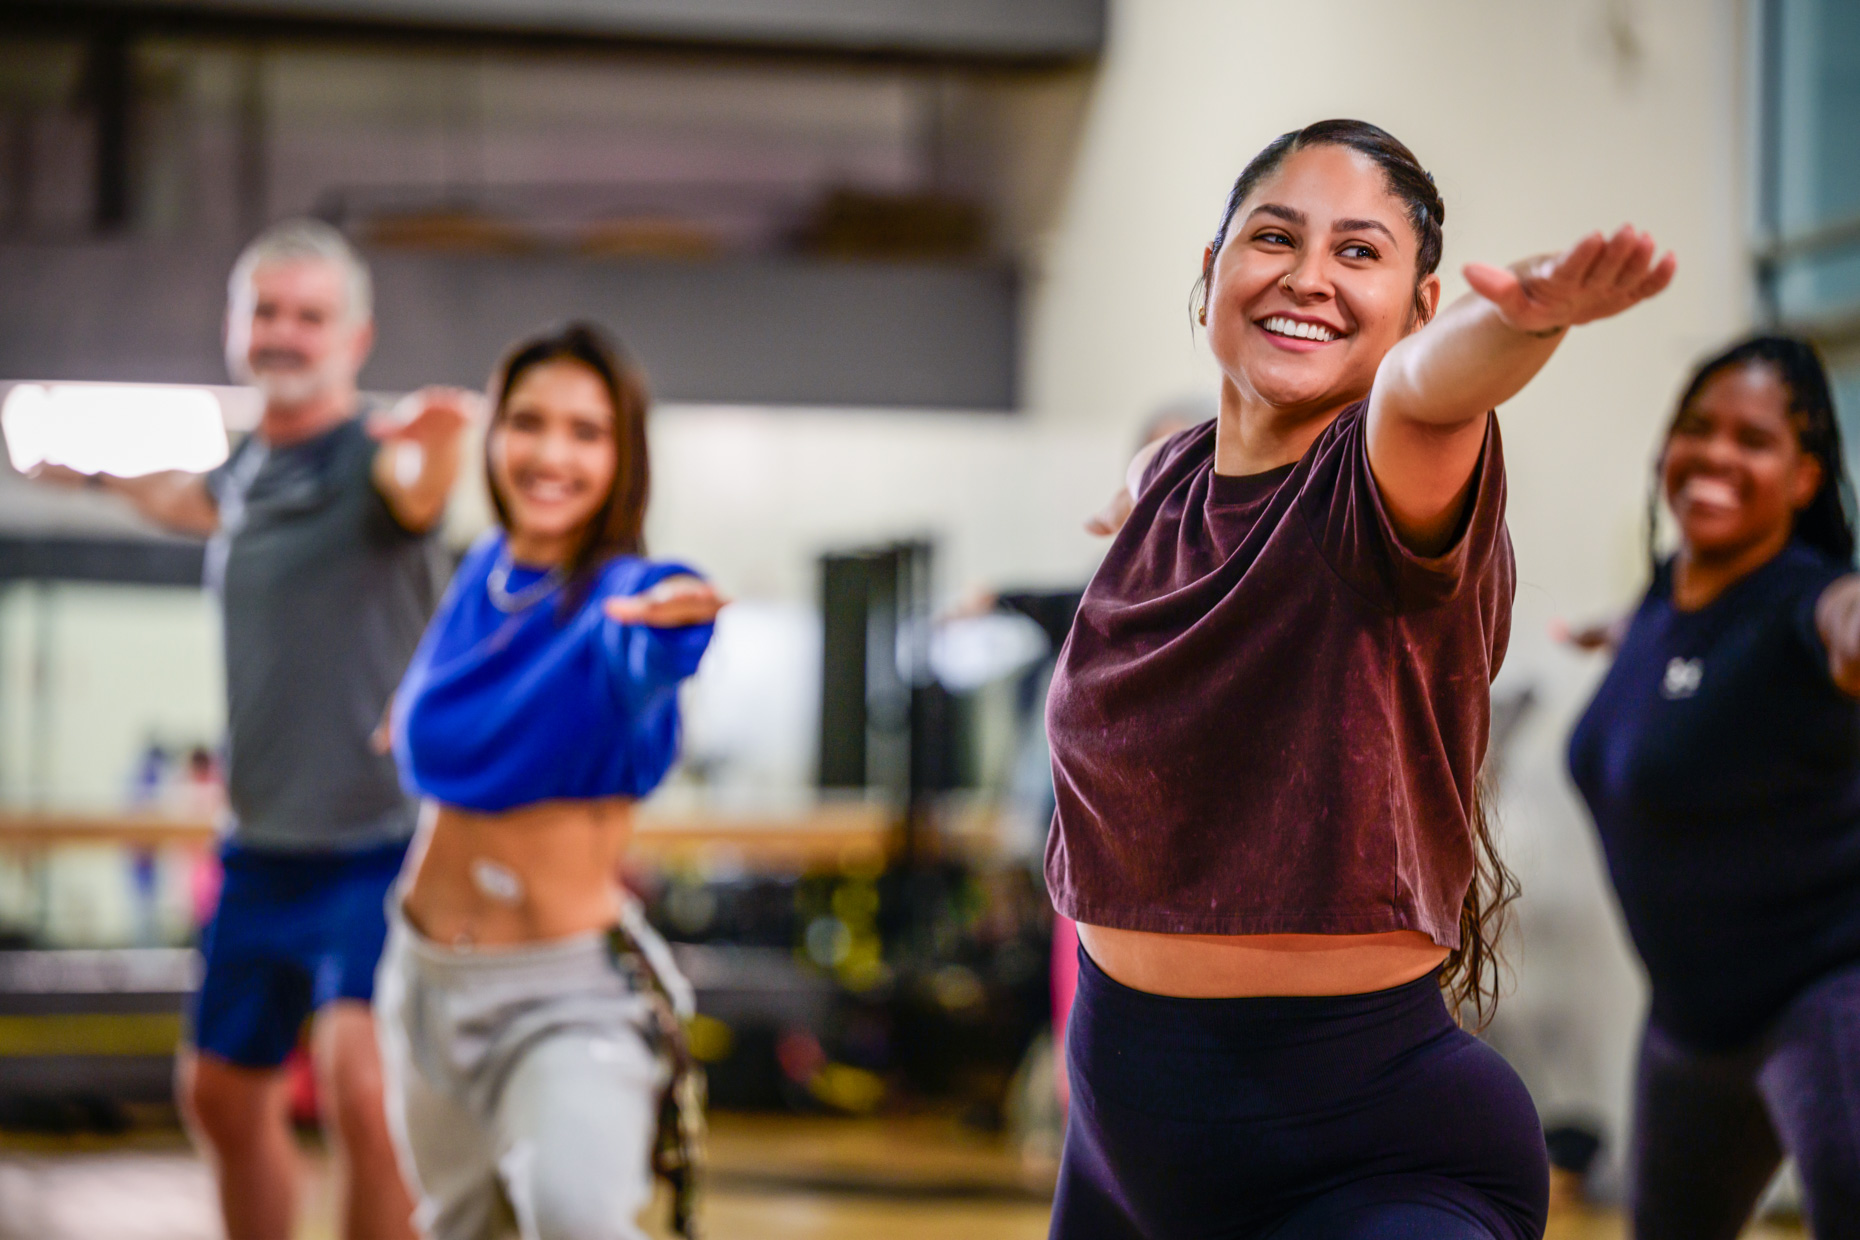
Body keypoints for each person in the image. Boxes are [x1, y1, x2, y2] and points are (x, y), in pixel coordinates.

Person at [1042, 118, 1675, 1239]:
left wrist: (1519, 319)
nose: (1308, 277)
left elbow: (1430, 394)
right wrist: (1128, 489)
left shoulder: (1385, 477)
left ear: (1419, 306)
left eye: (1360, 252)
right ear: (1212, 269)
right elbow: (1163, 467)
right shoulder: (1173, 479)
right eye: (1275, 236)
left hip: (1369, 1160)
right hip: (1120, 1150)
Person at [33, 218, 471, 1240]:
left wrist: (440, 442)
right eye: (266, 312)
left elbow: (419, 490)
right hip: (262, 848)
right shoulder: (245, 479)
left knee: (366, 1091)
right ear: (236, 327)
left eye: (309, 316)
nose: (284, 332)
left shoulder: (375, 462)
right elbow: (179, 496)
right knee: (222, 1098)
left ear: (353, 340)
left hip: (379, 846)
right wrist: (80, 471)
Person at [375, 322, 725, 1240]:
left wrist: (675, 621)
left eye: (587, 431)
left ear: (625, 456)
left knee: (575, 1219)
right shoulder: (484, 573)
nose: (551, 454)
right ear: (496, 436)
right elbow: (454, 721)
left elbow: (649, 639)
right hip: (421, 978)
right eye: (528, 422)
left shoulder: (629, 594)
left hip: (563, 997)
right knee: (459, 1225)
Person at [1566, 335, 1860, 1239]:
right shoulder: (1668, 595)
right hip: (1686, 1028)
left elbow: (1837, 621)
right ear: (1665, 449)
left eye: (1756, 439)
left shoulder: (1808, 602)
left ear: (1805, 479)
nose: (1718, 454)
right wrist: (1616, 634)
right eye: (1698, 427)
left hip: (1825, 1003)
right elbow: (1696, 662)